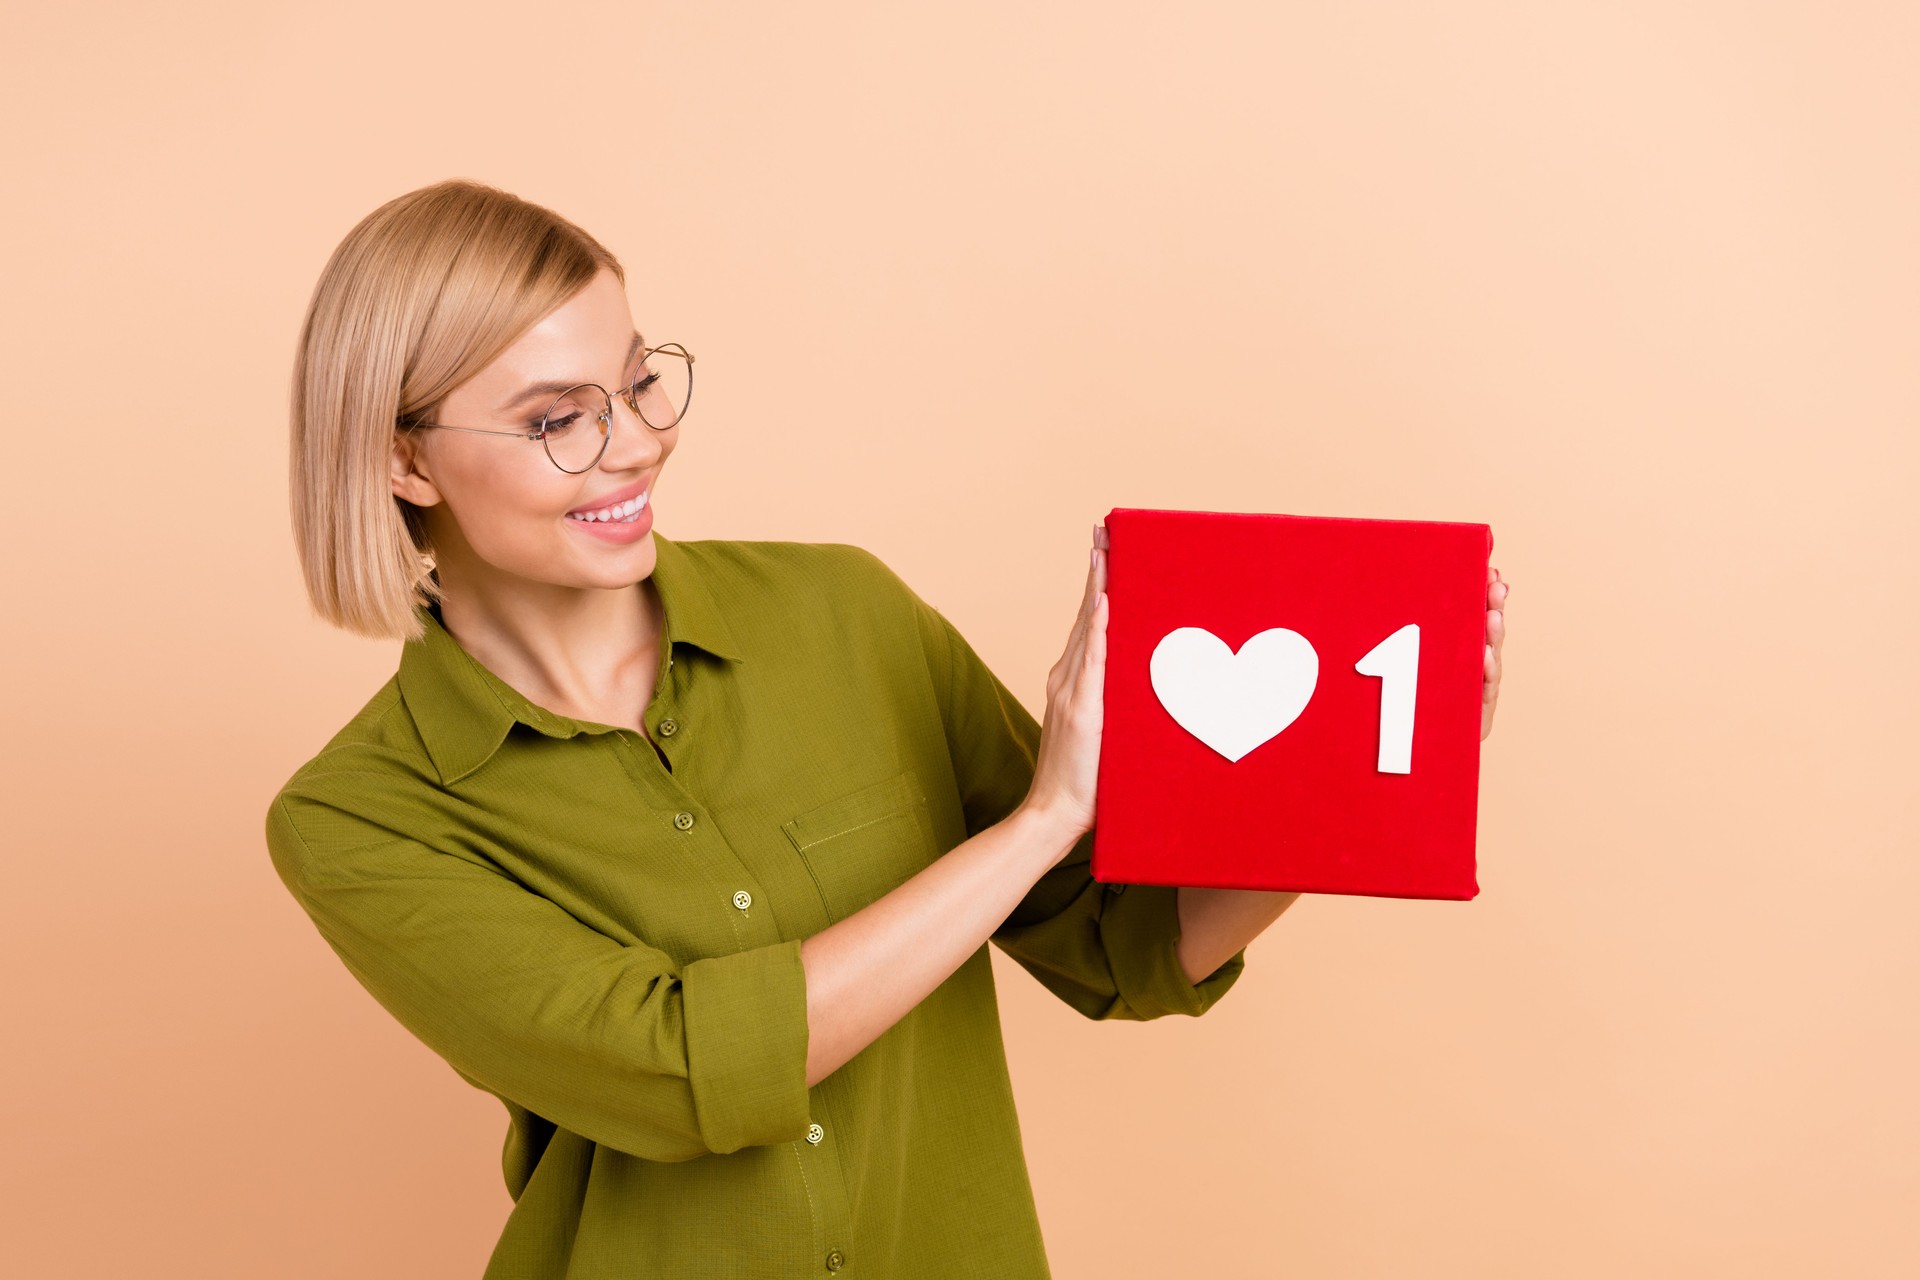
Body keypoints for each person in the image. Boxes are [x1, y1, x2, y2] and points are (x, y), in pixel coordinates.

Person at [267, 178, 1509, 1279]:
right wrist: (1037, 822)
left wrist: (1376, 758)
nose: (638, 442)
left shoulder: (844, 614)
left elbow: (1125, 944)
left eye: (638, 380)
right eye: (557, 419)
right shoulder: (361, 817)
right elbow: (682, 1073)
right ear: (406, 460)